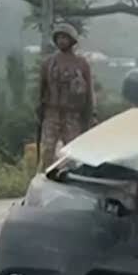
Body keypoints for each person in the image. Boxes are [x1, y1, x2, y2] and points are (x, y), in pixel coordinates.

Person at [38, 22, 96, 171]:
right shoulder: (48, 63)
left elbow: (89, 92)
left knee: (74, 153)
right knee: (47, 151)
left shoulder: (81, 64)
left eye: (65, 37)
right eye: (59, 37)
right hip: (52, 113)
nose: (61, 41)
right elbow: (42, 89)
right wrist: (40, 111)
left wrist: (89, 116)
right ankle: (46, 179)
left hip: (73, 115)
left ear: (72, 40)